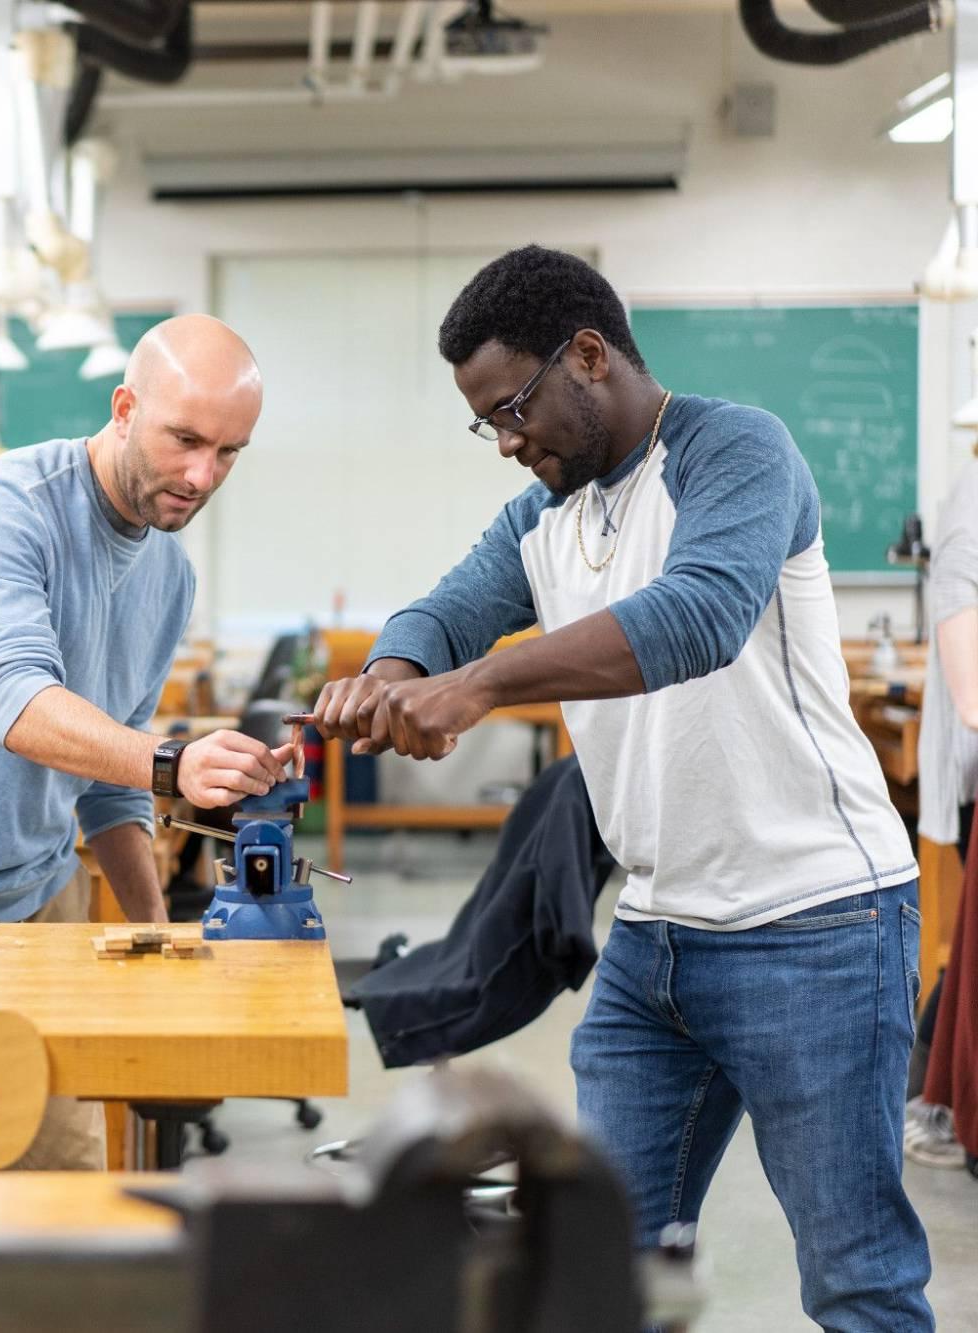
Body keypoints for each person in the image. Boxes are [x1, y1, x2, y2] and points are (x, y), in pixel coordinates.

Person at [312, 246, 932, 1328]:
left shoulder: (733, 451)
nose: (506, 443)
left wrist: (478, 687)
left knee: (856, 1280)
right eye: (485, 424)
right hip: (654, 934)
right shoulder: (543, 514)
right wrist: (388, 676)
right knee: (595, 1267)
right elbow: (444, 611)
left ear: (587, 357)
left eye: (512, 409)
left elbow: (693, 615)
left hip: (817, 923)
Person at [0, 314, 291, 1170]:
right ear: (123, 406)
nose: (199, 475)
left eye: (228, 453)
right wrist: (175, 762)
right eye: (184, 439)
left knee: (61, 1186)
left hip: (38, 902)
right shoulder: (4, 510)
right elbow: (16, 703)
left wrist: (153, 931)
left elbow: (108, 776)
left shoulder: (169, 574)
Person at [910, 456, 978, 1171]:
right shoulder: (970, 515)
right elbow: (972, 698)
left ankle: (934, 1099)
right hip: (973, 769)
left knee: (968, 947)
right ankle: (940, 1102)